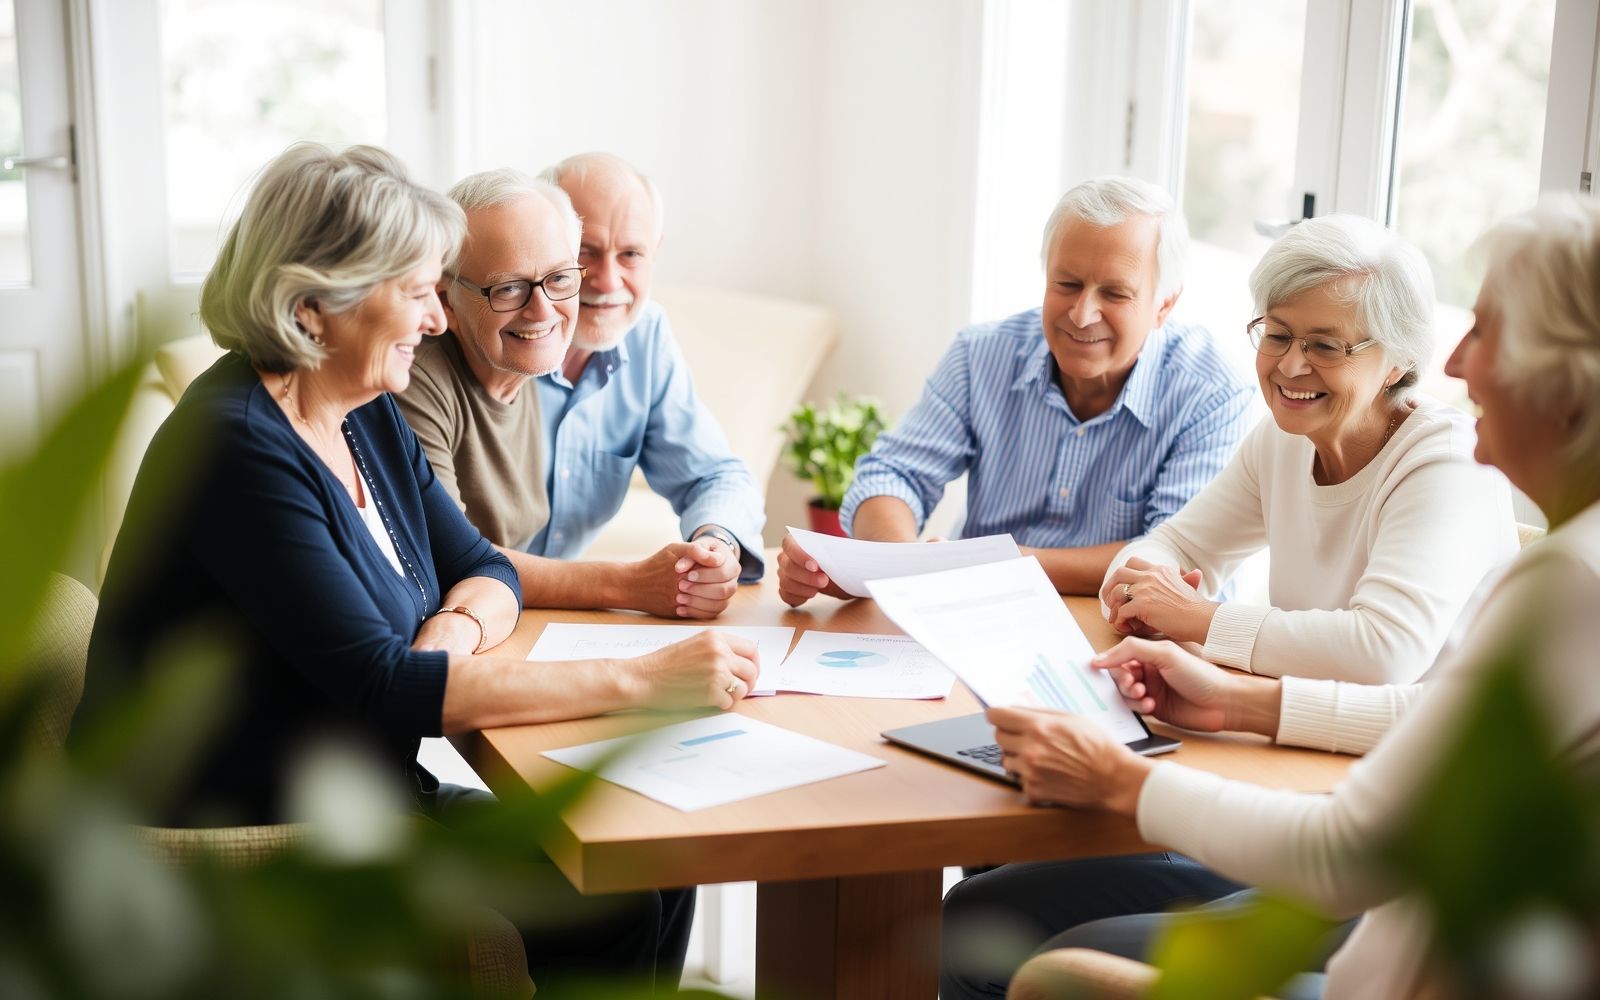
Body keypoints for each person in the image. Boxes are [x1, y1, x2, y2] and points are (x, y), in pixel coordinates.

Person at [83, 144, 759, 993]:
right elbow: (390, 687)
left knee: (642, 861)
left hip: (366, 790)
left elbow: (485, 567)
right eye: (416, 292)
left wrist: (453, 627)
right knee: (612, 898)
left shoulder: (358, 410)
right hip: (252, 835)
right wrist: (645, 682)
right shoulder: (239, 447)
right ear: (313, 309)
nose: (437, 321)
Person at [976, 194, 1600, 1000]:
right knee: (988, 909)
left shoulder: (1565, 576)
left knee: (1020, 953)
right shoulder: (1567, 564)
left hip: (1378, 914)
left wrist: (1125, 772)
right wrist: (1238, 702)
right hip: (1356, 848)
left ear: (1568, 379)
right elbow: (1435, 717)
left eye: (1487, 331)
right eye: (1277, 334)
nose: (1459, 363)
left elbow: (1351, 829)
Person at [777, 176, 1255, 605]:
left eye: (1114, 294)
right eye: (1066, 284)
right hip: (975, 611)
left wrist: (993, 566)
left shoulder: (1212, 392)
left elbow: (1172, 557)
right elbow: (892, 476)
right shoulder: (980, 355)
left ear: (1163, 305)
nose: (1082, 314)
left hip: (1122, 627)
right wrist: (892, 566)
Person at [1099, 214, 1518, 682]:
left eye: (1325, 346)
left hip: (1437, 747)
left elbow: (1383, 652)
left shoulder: (1447, 463)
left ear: (1399, 361)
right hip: (1307, 728)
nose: (1291, 365)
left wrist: (1197, 615)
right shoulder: (1285, 438)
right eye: (1277, 335)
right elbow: (1176, 543)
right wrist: (1135, 593)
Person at [396, 161, 760, 620]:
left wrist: (713, 549)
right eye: (588, 254)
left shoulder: (551, 346)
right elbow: (454, 557)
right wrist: (629, 584)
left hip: (518, 614)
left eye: (631, 254)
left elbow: (715, 474)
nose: (606, 283)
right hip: (467, 613)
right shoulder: (491, 352)